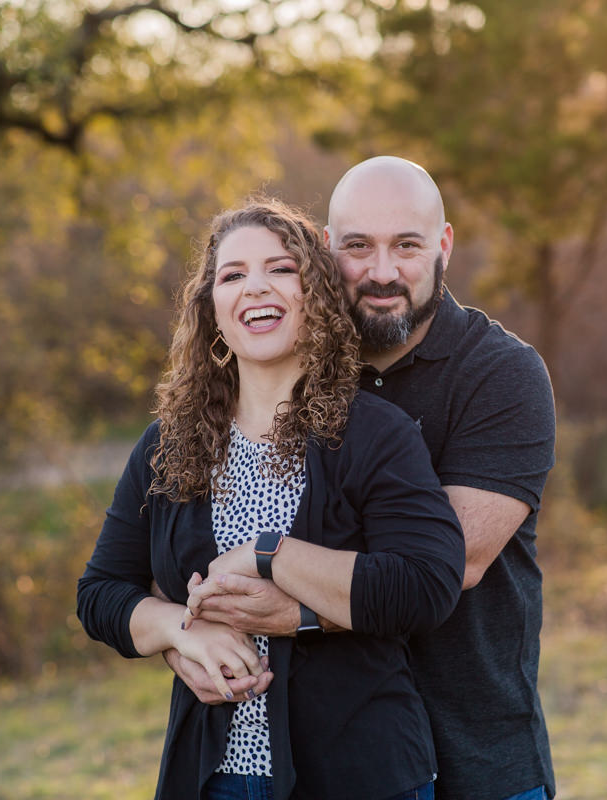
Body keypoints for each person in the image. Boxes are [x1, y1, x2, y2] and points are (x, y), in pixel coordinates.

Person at [176, 158, 558, 800]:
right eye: (358, 247)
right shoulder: (291, 370)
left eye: (406, 245)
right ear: (326, 251)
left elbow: (449, 563)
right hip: (342, 759)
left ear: (443, 247)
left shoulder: (502, 374)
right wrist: (186, 635)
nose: (383, 272)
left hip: (481, 752)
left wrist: (288, 611)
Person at [76, 199, 466, 800]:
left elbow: (425, 584)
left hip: (360, 774)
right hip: (213, 778)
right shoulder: (169, 444)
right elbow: (101, 592)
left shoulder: (374, 433)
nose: (255, 286)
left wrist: (267, 554)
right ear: (212, 310)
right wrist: (182, 631)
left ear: (316, 295)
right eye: (232, 275)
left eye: (281, 269)